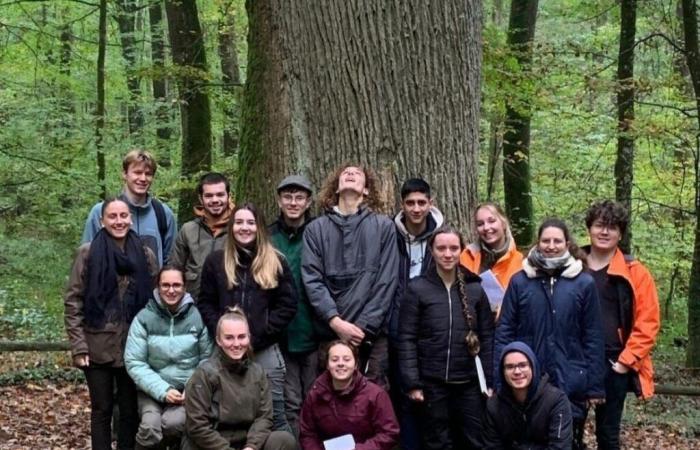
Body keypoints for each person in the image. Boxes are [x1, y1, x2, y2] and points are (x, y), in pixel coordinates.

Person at [495, 218, 605, 450]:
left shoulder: (583, 283)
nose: (551, 246)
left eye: (557, 241)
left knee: (567, 442)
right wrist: (498, 378)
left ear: (567, 243)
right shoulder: (520, 282)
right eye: (546, 240)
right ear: (538, 242)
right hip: (527, 381)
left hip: (571, 378)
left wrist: (594, 386)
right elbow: (504, 331)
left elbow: (593, 336)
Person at [64, 197, 157, 450]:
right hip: (97, 345)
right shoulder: (87, 253)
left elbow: (154, 300)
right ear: (101, 220)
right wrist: (79, 346)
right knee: (102, 410)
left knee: (129, 411)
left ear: (130, 218)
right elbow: (73, 301)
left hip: (134, 345)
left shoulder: (145, 254)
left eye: (123, 216)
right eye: (112, 216)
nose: (119, 221)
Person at [198, 203, 297, 431]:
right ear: (232, 227)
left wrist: (262, 332)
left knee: (276, 414)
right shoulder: (216, 261)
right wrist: (221, 333)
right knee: (219, 410)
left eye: (250, 222)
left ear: (259, 227)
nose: (245, 227)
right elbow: (205, 302)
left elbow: (288, 304)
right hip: (224, 348)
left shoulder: (276, 261)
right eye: (239, 222)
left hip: (264, 348)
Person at [302, 164, 399, 389]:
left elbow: (386, 281)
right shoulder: (315, 229)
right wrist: (336, 323)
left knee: (373, 401)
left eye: (357, 173)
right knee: (330, 400)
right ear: (336, 188)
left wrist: (362, 328)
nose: (351, 174)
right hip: (329, 333)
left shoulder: (384, 227)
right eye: (345, 173)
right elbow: (312, 280)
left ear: (366, 190)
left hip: (372, 337)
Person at [398, 225, 494, 449]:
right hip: (432, 383)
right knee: (437, 441)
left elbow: (488, 336)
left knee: (474, 439)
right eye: (441, 248)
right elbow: (407, 338)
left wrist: (489, 381)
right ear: (432, 251)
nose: (447, 254)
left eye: (453, 248)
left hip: (469, 382)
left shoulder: (475, 289)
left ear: (461, 250)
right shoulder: (418, 289)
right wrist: (412, 382)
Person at [583, 200, 660, 450]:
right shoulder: (572, 265)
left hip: (613, 362)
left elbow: (648, 322)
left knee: (607, 435)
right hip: (575, 359)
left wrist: (626, 362)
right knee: (566, 429)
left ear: (620, 234)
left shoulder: (634, 271)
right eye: (599, 225)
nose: (605, 232)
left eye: (612, 227)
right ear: (589, 229)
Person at [182, 308, 296, 450]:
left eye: (241, 337)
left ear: (249, 338)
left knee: (283, 440)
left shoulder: (258, 372)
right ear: (219, 340)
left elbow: (264, 417)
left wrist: (251, 447)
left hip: (246, 441)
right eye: (229, 338)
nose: (236, 344)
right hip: (213, 443)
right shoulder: (204, 374)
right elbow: (197, 426)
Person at [124, 266, 212, 449]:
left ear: (184, 287)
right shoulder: (143, 318)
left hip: (186, 390)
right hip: (151, 390)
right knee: (150, 426)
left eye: (176, 285)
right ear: (157, 287)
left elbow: (207, 358)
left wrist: (193, 386)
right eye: (165, 285)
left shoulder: (197, 317)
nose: (171, 290)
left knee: (173, 423)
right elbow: (135, 362)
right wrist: (163, 390)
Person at [389, 177, 443, 450]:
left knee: (431, 400)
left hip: (431, 332)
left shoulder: (441, 240)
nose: (416, 208)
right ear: (402, 205)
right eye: (410, 203)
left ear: (430, 204)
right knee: (404, 398)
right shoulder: (391, 236)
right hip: (397, 329)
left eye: (422, 202)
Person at [268, 175, 318, 437]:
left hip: (313, 330)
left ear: (308, 201)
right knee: (290, 402)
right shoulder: (267, 236)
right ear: (278, 200)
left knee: (314, 398)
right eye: (287, 197)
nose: (293, 202)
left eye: (299, 197)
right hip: (282, 334)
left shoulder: (318, 231)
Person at [82, 149, 177, 267]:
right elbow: (87, 259)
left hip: (151, 284)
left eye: (148, 174)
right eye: (137, 172)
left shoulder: (163, 214)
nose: (143, 178)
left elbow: (171, 262)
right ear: (124, 174)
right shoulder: (100, 212)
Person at [299, 341, 399, 450]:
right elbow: (307, 433)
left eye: (346, 359)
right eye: (334, 359)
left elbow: (389, 433)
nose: (340, 363)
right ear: (327, 364)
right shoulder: (316, 393)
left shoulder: (376, 394)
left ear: (356, 364)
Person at [482, 341, 573, 449]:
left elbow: (560, 446)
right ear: (503, 372)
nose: (517, 371)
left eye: (523, 365)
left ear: (533, 367)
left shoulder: (556, 401)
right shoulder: (494, 405)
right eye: (510, 367)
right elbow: (492, 446)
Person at [169, 172, 233, 300]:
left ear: (229, 196)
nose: (215, 200)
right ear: (201, 198)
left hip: (229, 307)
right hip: (193, 307)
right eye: (209, 196)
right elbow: (174, 270)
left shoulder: (239, 229)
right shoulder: (188, 230)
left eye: (220, 195)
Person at [460, 202, 523, 319]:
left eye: (492, 221)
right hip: (473, 326)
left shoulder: (520, 261)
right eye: (480, 224)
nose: (486, 228)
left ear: (503, 223)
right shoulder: (466, 256)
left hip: (507, 327)